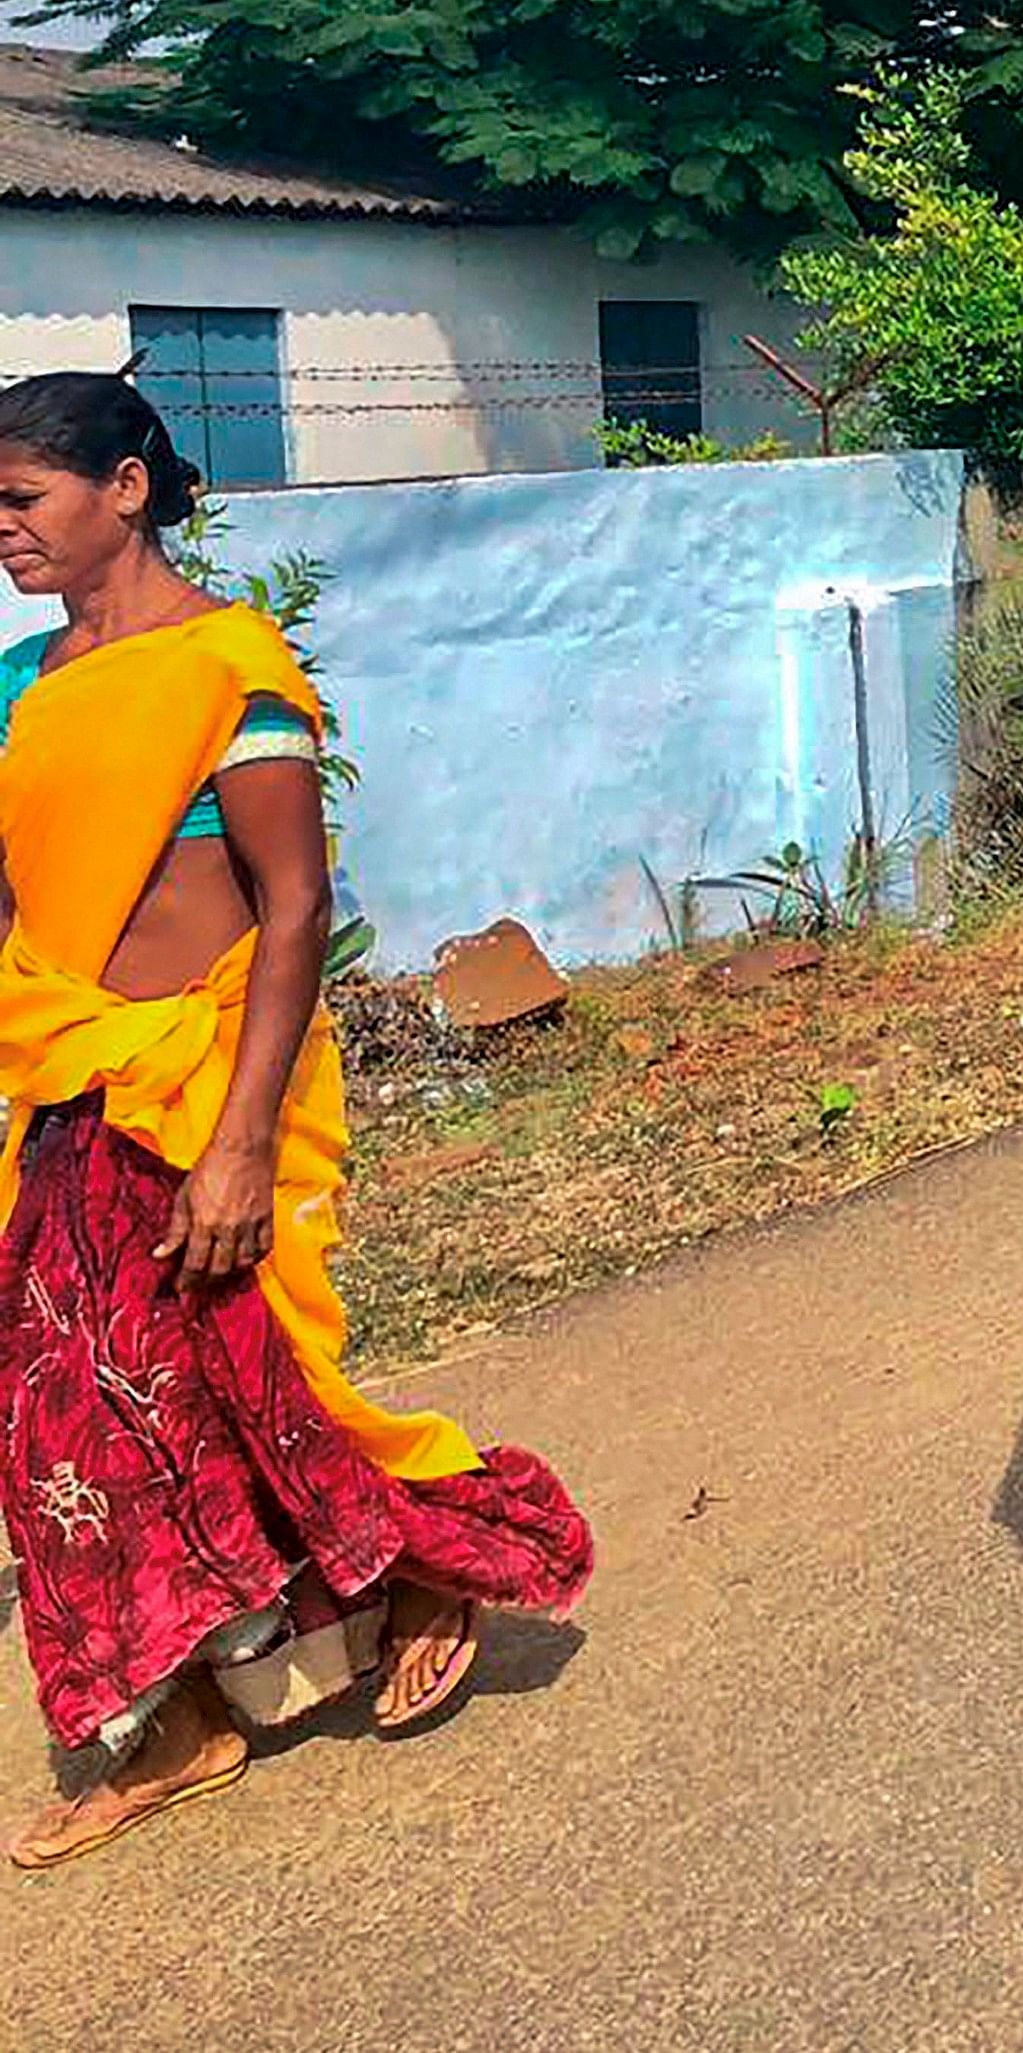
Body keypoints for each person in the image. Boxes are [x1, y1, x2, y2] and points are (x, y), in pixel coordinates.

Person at [0, 373, 592, 1870]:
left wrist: (245, 1139)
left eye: (23, 498)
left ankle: (437, 1568)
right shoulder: (23, 684)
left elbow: (292, 905)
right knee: (74, 1412)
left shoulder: (230, 666)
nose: (3, 529)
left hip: (213, 1075)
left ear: (122, 489)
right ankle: (186, 1711)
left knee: (266, 1379)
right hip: (70, 1078)